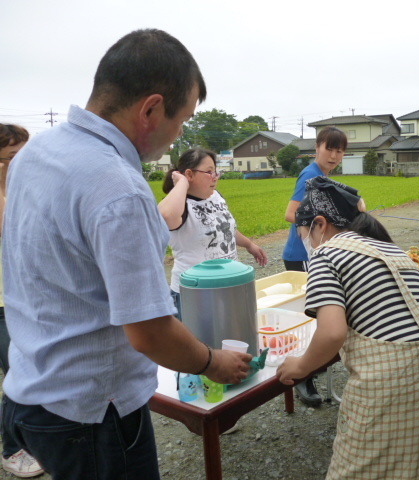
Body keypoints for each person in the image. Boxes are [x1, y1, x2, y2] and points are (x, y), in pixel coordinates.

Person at [1, 29, 252, 480]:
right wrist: (212, 362)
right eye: (182, 121)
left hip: (29, 392)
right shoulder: (118, 188)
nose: (179, 135)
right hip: (94, 412)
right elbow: (150, 331)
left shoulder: (35, 153)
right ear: (151, 109)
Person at [277, 177, 419, 479]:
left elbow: (332, 333)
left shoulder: (327, 253)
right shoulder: (391, 249)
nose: (306, 242)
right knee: (417, 463)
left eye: (303, 233)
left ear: (319, 225)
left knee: (360, 467)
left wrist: (300, 367)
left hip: (391, 378)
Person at [158, 147, 267, 318]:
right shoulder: (181, 205)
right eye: (209, 172)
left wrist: (249, 244)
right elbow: (165, 216)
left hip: (227, 285)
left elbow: (225, 229)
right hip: (195, 294)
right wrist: (182, 184)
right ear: (189, 174)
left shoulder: (215, 196)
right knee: (201, 344)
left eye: (216, 172)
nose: (215, 177)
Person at [282, 126, 347, 407]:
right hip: (303, 254)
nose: (334, 155)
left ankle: (308, 367)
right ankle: (303, 376)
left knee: (316, 313)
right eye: (329, 148)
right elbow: (290, 213)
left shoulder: (323, 175)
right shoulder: (310, 175)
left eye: (339, 150)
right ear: (317, 147)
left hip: (313, 254)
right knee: (311, 317)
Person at [0, 124, 44, 478]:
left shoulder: (29, 189)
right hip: (2, 304)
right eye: (13, 157)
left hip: (24, 298)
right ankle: (12, 448)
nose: (23, 163)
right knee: (18, 373)